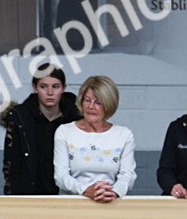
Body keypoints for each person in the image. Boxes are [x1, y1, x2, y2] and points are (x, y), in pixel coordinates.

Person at [53, 75, 136, 203]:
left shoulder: (124, 135)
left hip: (109, 204)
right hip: (70, 206)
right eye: (87, 100)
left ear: (108, 105)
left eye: (98, 103)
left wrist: (113, 192)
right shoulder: (64, 132)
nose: (91, 106)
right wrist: (85, 190)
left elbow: (127, 175)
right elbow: (61, 176)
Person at [0, 66, 81, 194]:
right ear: (35, 88)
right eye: (43, 86)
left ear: (64, 88)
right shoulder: (20, 118)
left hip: (69, 193)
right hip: (29, 195)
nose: (50, 92)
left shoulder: (77, 118)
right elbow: (11, 165)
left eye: (55, 86)